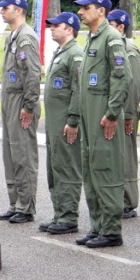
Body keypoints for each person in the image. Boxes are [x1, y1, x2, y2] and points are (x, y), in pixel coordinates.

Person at [74, 0, 132, 248]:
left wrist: (111, 113)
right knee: (91, 171)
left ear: (101, 11)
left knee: (106, 172)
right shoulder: (92, 39)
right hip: (90, 118)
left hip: (103, 119)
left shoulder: (111, 39)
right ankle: (97, 226)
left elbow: (123, 77)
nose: (80, 12)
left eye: (86, 8)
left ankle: (111, 230)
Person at [0, 0, 41, 224]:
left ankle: (26, 206)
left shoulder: (25, 38)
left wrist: (29, 106)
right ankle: (15, 203)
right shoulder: (12, 37)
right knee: (10, 154)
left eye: (6, 8)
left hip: (21, 100)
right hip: (9, 99)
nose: (2, 11)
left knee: (23, 155)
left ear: (19, 10)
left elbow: (32, 74)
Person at [38, 12, 84, 234]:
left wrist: (73, 119)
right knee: (55, 167)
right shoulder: (61, 52)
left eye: (57, 26)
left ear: (69, 29)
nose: (52, 29)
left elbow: (78, 89)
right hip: (55, 122)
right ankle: (59, 213)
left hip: (66, 122)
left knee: (67, 167)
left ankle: (68, 216)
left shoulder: (75, 54)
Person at [107, 9, 140, 219]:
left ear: (121, 27)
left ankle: (128, 200)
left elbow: (135, 83)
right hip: (114, 110)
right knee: (115, 156)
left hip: (126, 111)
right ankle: (117, 196)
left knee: (127, 156)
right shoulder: (112, 46)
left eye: (111, 23)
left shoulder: (129, 49)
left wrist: (129, 113)